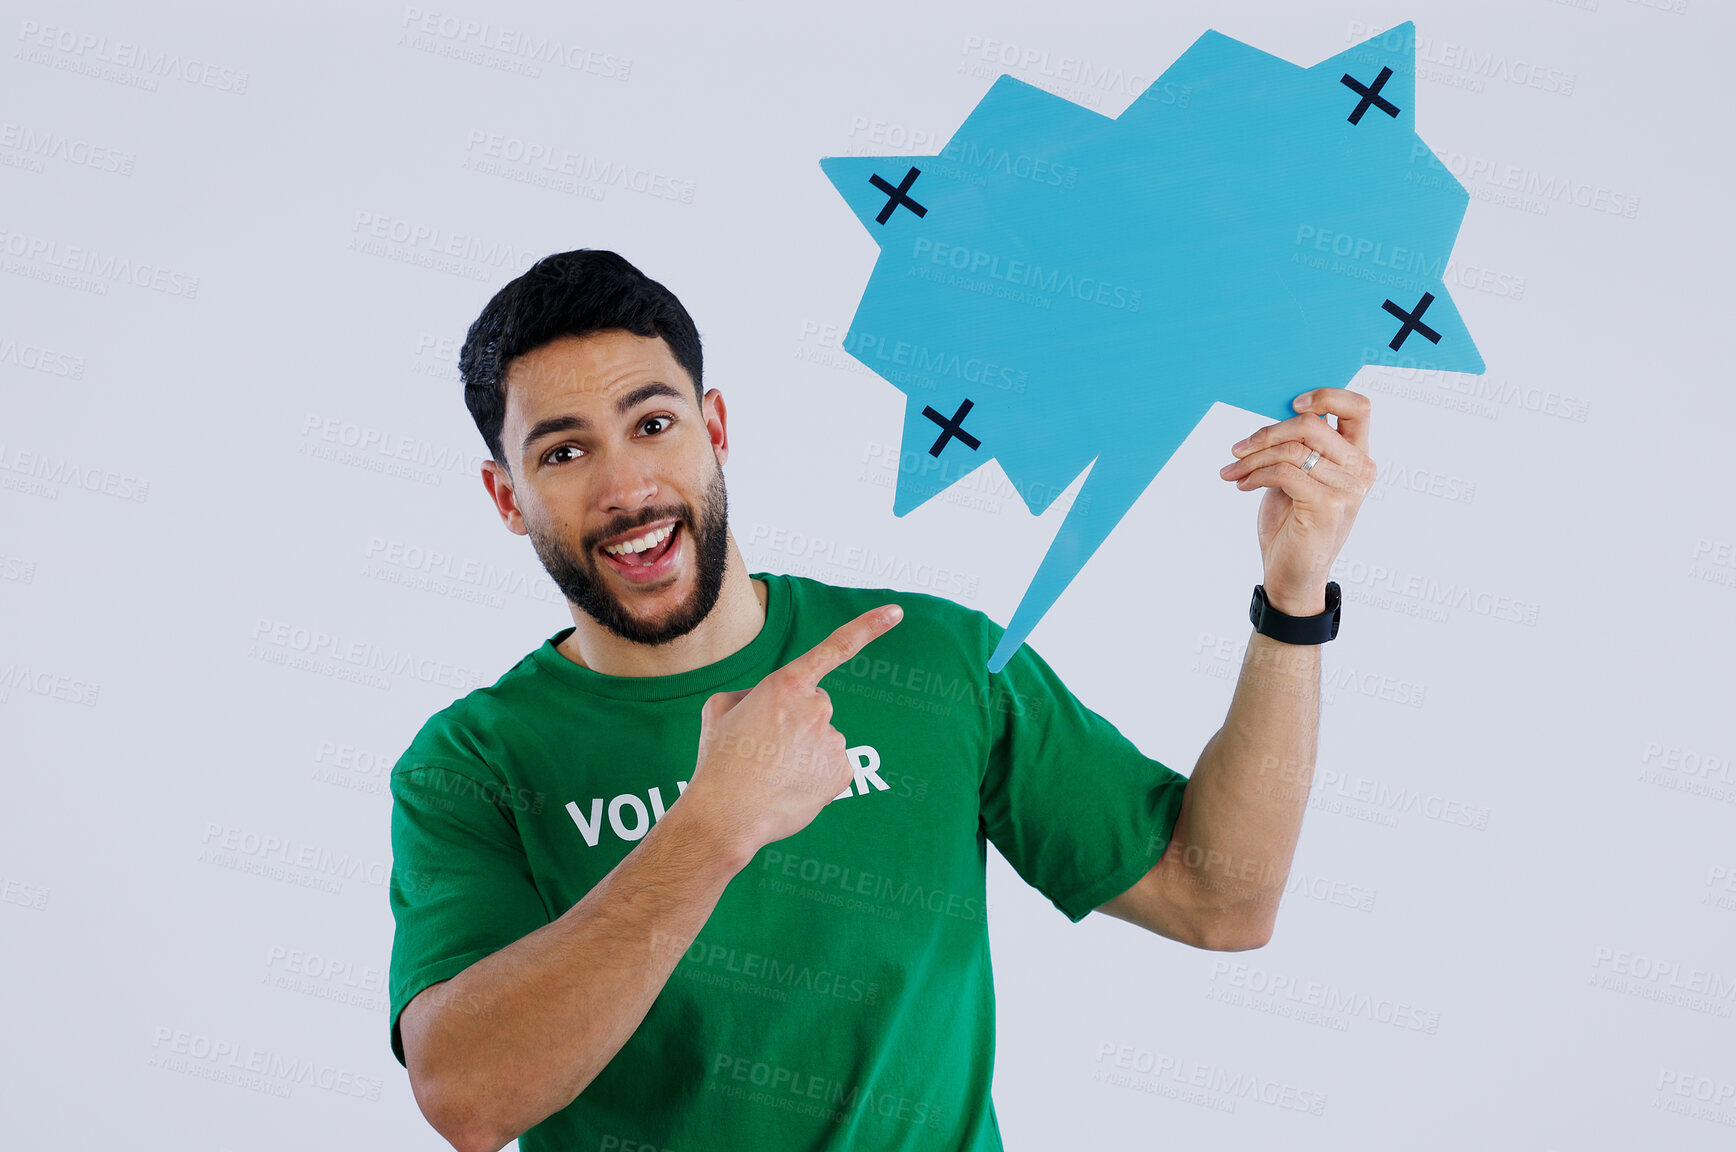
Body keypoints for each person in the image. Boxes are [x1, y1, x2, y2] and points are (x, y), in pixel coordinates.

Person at [387, 249, 1377, 1152]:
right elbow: (468, 1096)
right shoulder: (473, 763)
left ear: (715, 429)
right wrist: (713, 823)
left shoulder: (934, 660)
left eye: (653, 424)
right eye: (563, 453)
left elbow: (1219, 901)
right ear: (506, 496)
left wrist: (1291, 602)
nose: (626, 484)